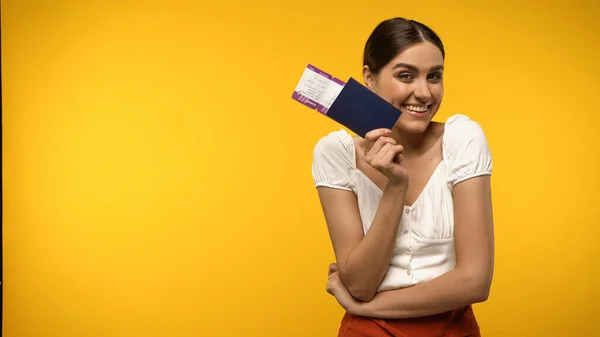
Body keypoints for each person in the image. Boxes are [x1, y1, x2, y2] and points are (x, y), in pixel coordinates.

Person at [311, 17, 494, 337]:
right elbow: (361, 283)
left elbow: (475, 281)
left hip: (453, 329)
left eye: (434, 76)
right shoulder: (335, 152)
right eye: (405, 75)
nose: (423, 93)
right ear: (369, 77)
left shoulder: (462, 138)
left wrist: (363, 307)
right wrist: (396, 186)